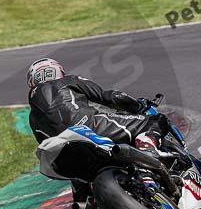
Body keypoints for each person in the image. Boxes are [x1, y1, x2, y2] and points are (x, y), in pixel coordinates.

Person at [27, 57, 170, 152]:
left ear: (32, 81)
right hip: (90, 126)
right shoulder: (68, 80)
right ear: (58, 71)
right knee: (157, 121)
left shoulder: (33, 116)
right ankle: (148, 149)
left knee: (79, 179)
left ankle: (84, 191)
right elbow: (111, 97)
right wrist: (138, 106)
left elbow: (42, 142)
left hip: (64, 152)